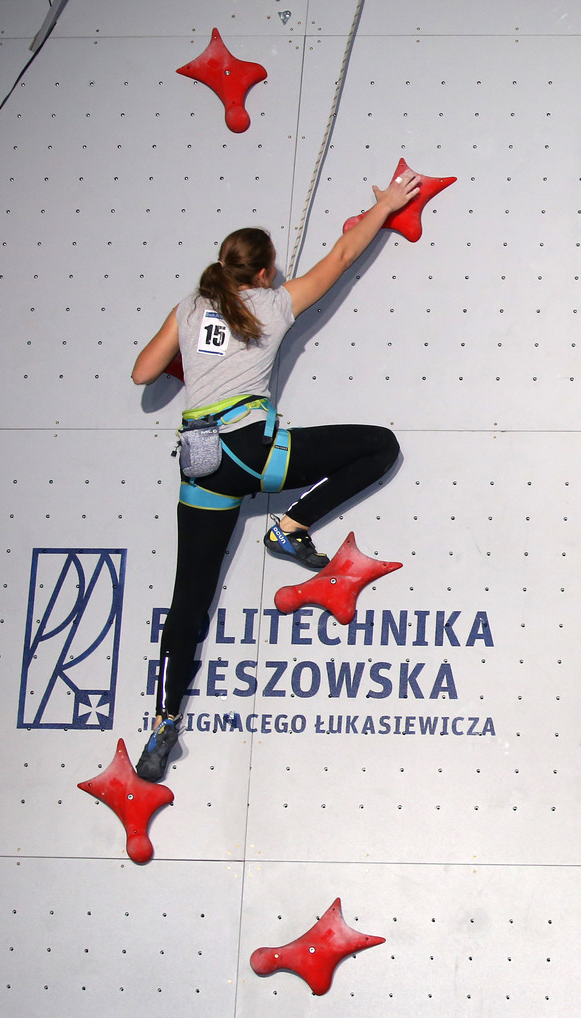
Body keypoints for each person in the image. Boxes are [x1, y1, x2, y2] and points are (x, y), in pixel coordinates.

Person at [128, 171, 421, 781]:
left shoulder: (189, 308)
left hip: (201, 465)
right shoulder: (273, 303)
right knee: (378, 446)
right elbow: (342, 255)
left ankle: (164, 722)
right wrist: (389, 204)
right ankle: (290, 526)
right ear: (262, 274)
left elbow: (143, 372)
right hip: (254, 454)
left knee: (188, 601)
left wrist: (196, 351)